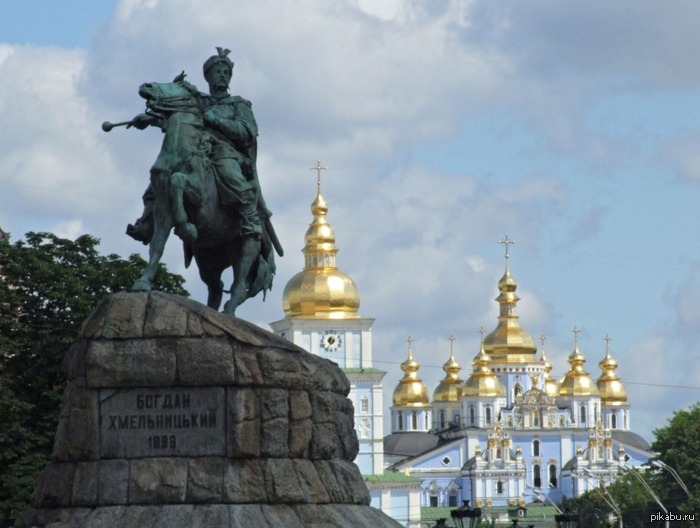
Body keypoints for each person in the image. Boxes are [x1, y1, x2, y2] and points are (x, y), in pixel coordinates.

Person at [126, 47, 270, 251]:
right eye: (218, 72)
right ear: (208, 76)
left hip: (225, 152)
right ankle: (147, 223)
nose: (222, 76)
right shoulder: (198, 100)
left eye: (226, 72)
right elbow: (176, 118)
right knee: (158, 179)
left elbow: (247, 132)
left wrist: (214, 119)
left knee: (230, 174)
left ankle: (250, 218)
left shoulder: (238, 104)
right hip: (195, 149)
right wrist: (150, 119)